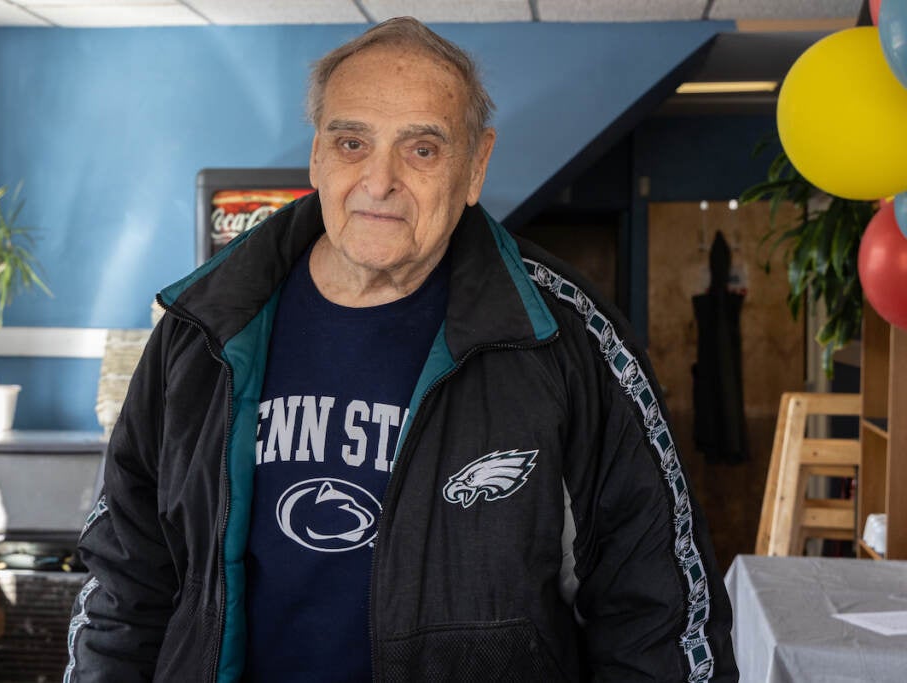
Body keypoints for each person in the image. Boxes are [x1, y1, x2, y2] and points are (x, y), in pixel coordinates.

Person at [66, 17, 737, 682]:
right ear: (318, 158)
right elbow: (125, 583)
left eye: (422, 150)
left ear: (475, 167)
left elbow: (660, 613)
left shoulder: (570, 340)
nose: (379, 180)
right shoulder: (201, 329)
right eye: (353, 142)